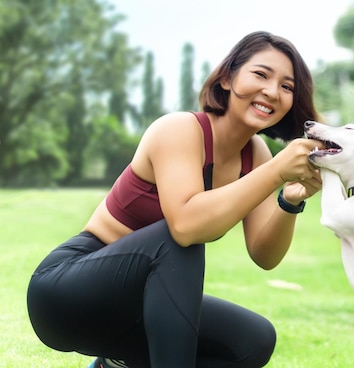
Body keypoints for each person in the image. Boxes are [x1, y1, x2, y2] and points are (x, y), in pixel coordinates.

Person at [26, 31, 325, 368]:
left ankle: (114, 365)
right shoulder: (179, 130)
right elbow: (184, 226)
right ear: (227, 78)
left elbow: (264, 254)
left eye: (287, 87)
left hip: (135, 307)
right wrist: (275, 171)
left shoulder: (254, 154)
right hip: (67, 291)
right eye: (260, 74)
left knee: (252, 340)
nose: (272, 92)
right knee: (180, 240)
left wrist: (288, 201)